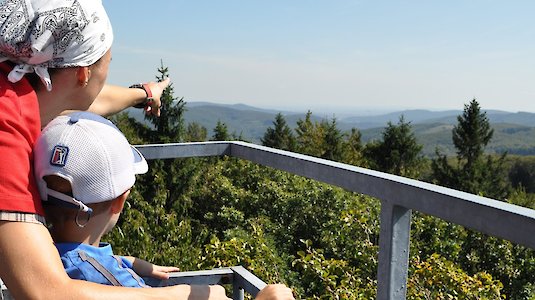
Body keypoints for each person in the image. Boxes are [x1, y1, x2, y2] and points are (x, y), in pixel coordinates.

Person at [0, 0, 294, 298]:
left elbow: (88, 98)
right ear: (84, 73)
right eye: (109, 62)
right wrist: (186, 295)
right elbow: (48, 293)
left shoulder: (17, 88)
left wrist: (144, 93)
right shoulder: (4, 127)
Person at [33, 111, 293, 300]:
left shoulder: (36, 249)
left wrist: (132, 262)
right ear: (120, 201)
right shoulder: (109, 282)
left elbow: (80, 258)